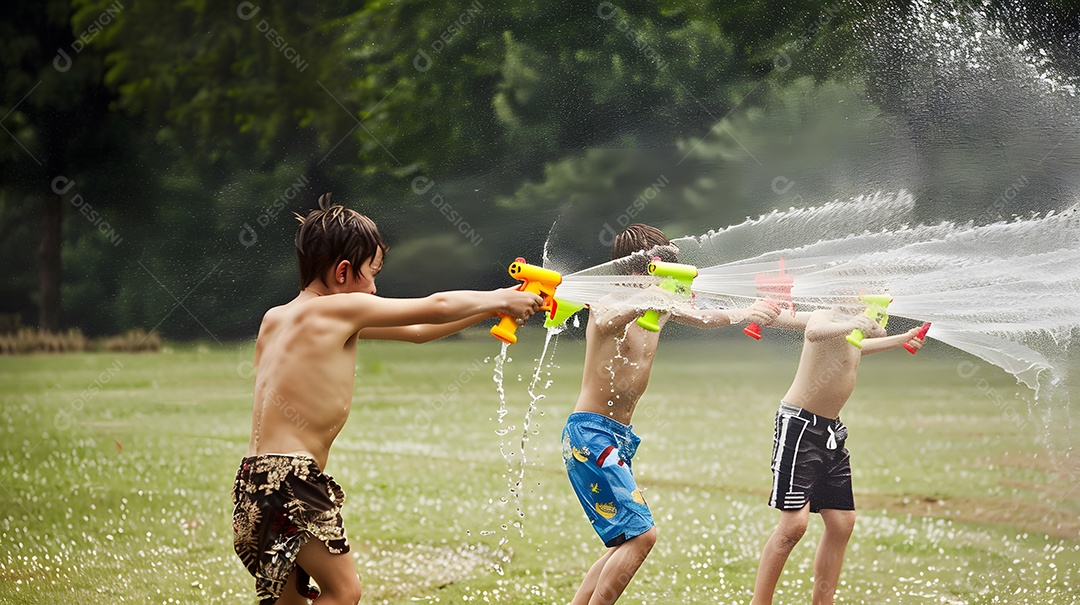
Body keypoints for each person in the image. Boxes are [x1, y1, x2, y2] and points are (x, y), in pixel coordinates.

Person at [231, 194, 543, 605]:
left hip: (252, 482)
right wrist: (501, 298)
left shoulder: (278, 318)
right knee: (343, 592)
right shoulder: (342, 310)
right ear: (343, 272)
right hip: (293, 480)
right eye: (371, 274)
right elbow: (436, 305)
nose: (375, 287)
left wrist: (490, 313)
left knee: (287, 601)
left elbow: (418, 330)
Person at [562, 224, 780, 605]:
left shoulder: (661, 306)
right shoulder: (607, 301)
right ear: (638, 271)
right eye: (662, 270)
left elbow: (702, 319)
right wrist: (648, 297)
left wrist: (748, 310)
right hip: (589, 434)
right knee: (643, 536)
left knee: (625, 542)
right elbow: (607, 321)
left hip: (618, 436)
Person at [750, 305, 926, 605]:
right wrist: (852, 323)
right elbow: (814, 332)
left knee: (842, 522)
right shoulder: (828, 313)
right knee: (794, 525)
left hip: (830, 431)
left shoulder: (849, 325)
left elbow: (855, 347)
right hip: (799, 426)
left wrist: (901, 338)